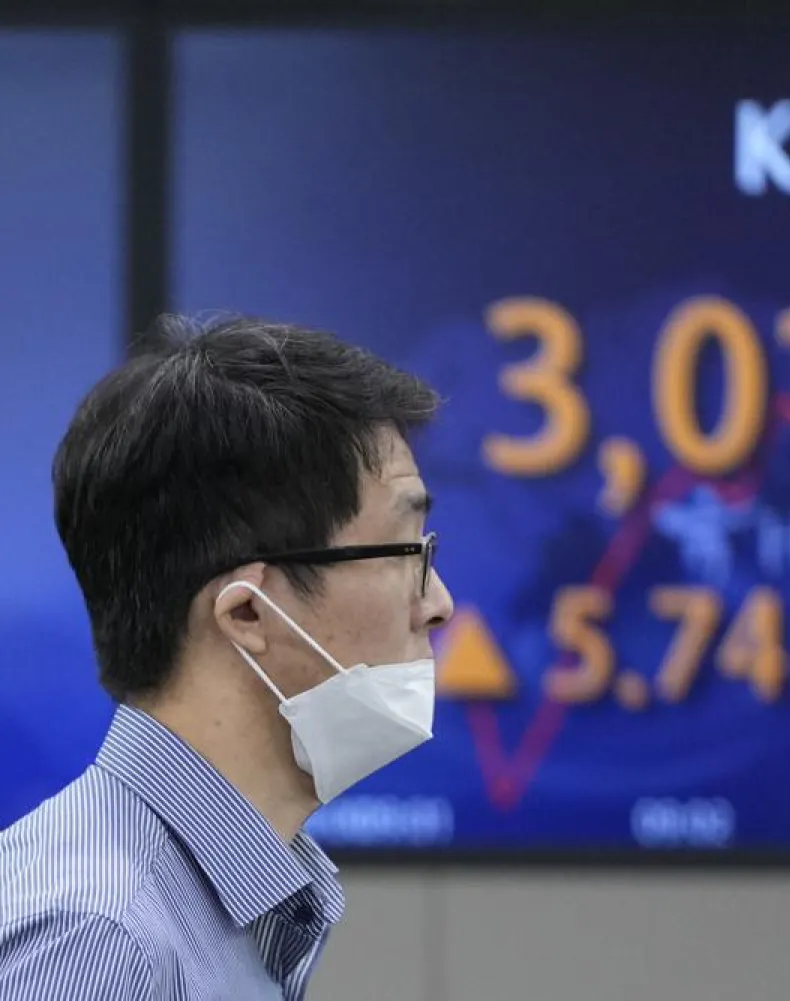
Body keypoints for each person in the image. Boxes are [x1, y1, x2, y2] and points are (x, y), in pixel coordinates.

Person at [0, 315, 455, 1000]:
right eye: (406, 553)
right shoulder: (98, 936)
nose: (439, 603)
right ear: (247, 611)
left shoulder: (214, 912)